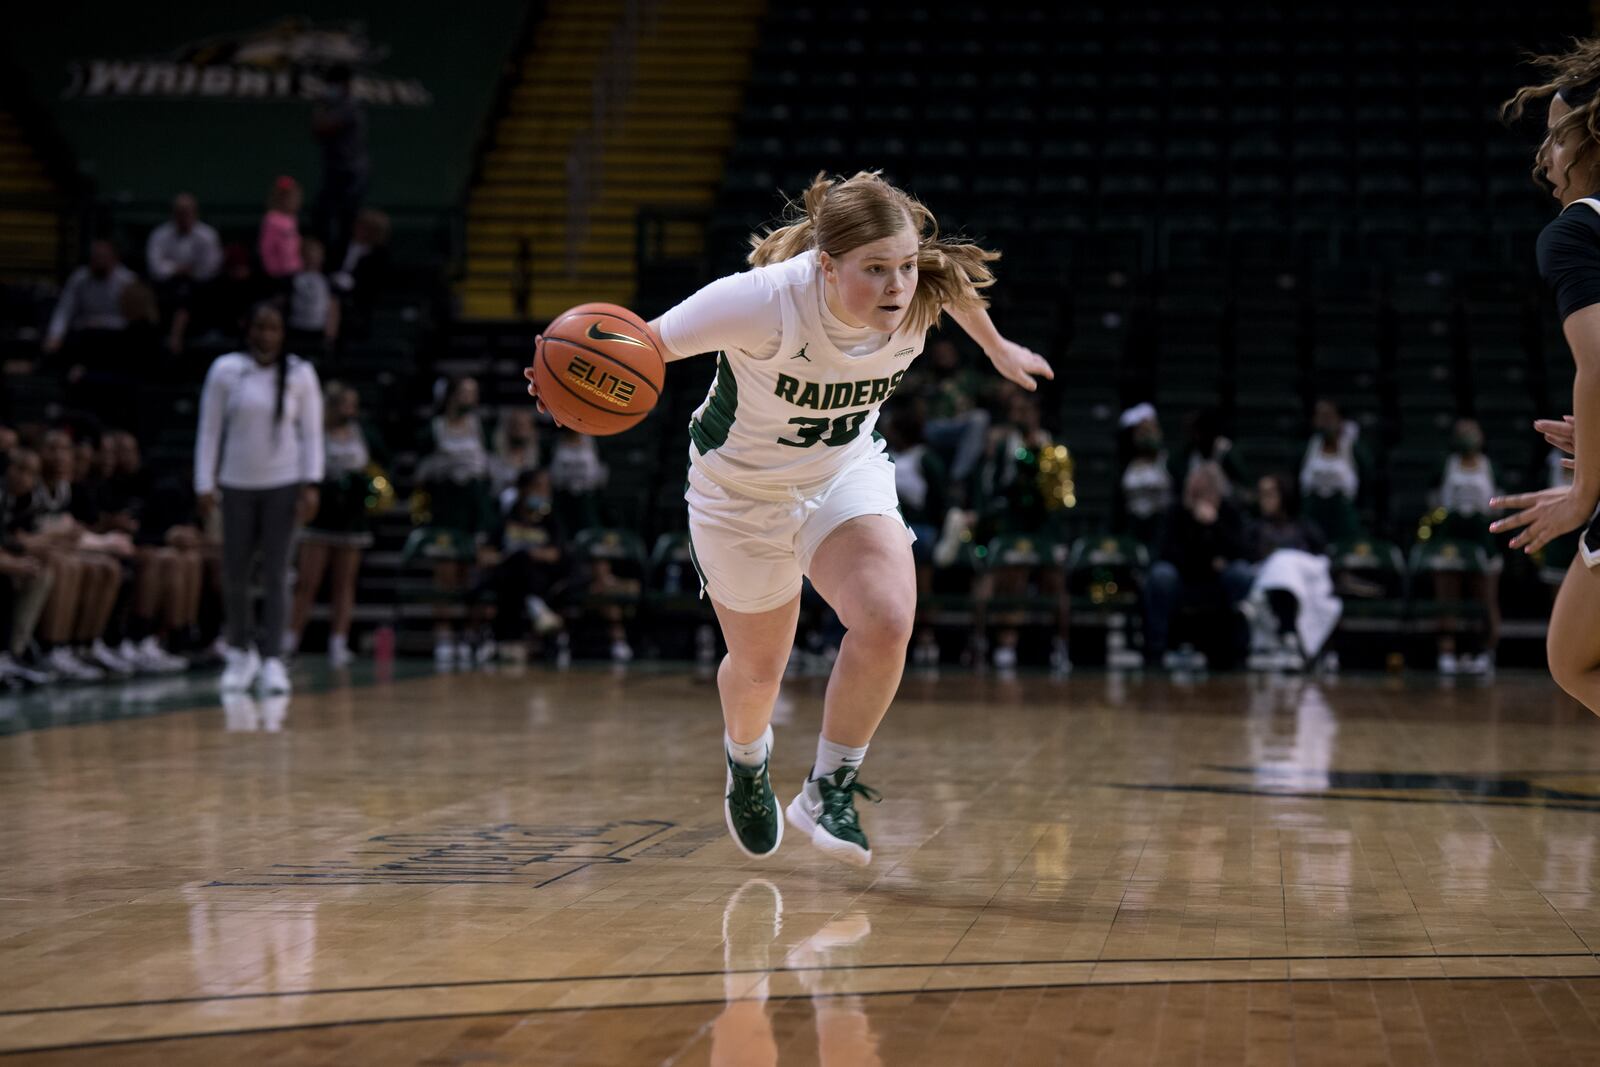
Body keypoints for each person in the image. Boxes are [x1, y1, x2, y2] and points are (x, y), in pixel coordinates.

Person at [524, 170, 1052, 866]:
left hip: (840, 472)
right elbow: (638, 346)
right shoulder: (763, 302)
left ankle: (830, 785)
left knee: (889, 616)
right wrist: (564, 381)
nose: (897, 286)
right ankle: (747, 760)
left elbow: (952, 287)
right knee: (758, 667)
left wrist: (996, 347)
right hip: (739, 496)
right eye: (875, 270)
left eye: (903, 266)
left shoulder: (920, 286)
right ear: (827, 267)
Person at [1494, 47, 1600, 714]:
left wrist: (1583, 490)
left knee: (1571, 658)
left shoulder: (1577, 229)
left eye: (1556, 135)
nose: (1545, 158)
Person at [195, 304, 324, 694]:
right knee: (233, 572)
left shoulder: (301, 373)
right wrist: (204, 482)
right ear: (247, 328)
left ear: (283, 332)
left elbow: (312, 433)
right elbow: (209, 430)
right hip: (235, 484)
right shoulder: (225, 370)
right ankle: (239, 650)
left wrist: (311, 483)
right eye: (260, 327)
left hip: (283, 484)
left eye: (274, 328)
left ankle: (272, 657)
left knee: (276, 573)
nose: (267, 335)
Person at [289, 383, 379, 667]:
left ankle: (338, 642)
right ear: (329, 406)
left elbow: (376, 463)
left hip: (351, 515)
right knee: (308, 582)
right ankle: (290, 640)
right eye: (344, 404)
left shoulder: (362, 433)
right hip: (322, 512)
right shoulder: (313, 434)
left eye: (353, 404)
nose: (350, 410)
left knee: (344, 583)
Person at [1143, 462, 1254, 670]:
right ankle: (1155, 648)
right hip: (1184, 577)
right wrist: (1206, 557)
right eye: (1195, 492)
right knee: (1161, 575)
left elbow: (1242, 551)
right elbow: (1165, 552)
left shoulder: (1229, 512)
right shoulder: (1175, 511)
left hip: (1217, 581)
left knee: (1241, 573)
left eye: (1206, 492)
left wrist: (1213, 525)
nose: (1200, 498)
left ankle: (1239, 646)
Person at [1431, 418, 1501, 675]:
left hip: (1482, 537)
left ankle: (1486, 652)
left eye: (1472, 431)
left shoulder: (1489, 466)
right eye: (1461, 432)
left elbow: (1501, 502)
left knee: (1486, 598)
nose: (1467, 436)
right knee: (1447, 596)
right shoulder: (1446, 465)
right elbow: (1434, 499)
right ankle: (1447, 653)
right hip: (1452, 536)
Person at [146, 192, 222, 354]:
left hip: (200, 288)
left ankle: (179, 335)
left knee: (190, 290)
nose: (183, 216)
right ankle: (172, 334)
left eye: (187, 212)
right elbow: (155, 267)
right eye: (179, 212)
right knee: (178, 290)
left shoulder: (207, 236)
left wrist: (182, 270)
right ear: (173, 214)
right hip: (167, 287)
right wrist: (179, 269)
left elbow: (210, 268)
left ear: (195, 213)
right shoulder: (159, 235)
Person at [311, 65, 370, 260]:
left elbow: (322, 127)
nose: (329, 88)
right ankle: (326, 261)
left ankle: (342, 266)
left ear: (344, 85)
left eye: (332, 84)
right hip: (336, 170)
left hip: (351, 173)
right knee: (322, 216)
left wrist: (319, 107)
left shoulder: (349, 106)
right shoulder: (334, 105)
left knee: (347, 221)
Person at [42, 240, 136, 356]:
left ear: (114, 258)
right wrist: (55, 336)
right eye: (96, 257)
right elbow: (64, 311)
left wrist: (102, 322)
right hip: (85, 334)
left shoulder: (128, 281)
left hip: (116, 335)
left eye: (103, 257)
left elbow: (133, 319)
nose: (99, 261)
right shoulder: (79, 278)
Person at [1299, 398, 1370, 544]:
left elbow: (1368, 480)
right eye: (1320, 417)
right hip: (1313, 512)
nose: (1325, 422)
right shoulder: (1306, 449)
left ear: (1339, 419)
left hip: (1343, 515)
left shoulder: (1353, 449)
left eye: (1329, 416)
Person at [1114, 402, 1172, 554]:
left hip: (1162, 528)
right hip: (1132, 528)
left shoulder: (1169, 462)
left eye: (1150, 430)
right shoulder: (1126, 467)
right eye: (1141, 431)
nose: (1146, 435)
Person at [286, 237, 338, 362]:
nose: (312, 257)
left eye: (316, 253)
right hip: (297, 327)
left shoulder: (328, 279)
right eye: (308, 253)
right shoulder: (293, 277)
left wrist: (331, 330)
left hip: (318, 330)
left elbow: (333, 307)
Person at [258, 176, 304, 283]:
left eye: (297, 198)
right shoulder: (271, 219)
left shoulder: (292, 219)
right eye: (292, 198)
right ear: (280, 199)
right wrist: (273, 271)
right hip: (277, 275)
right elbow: (266, 248)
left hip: (294, 272)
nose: (296, 202)